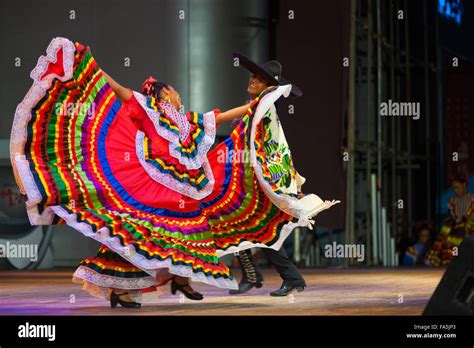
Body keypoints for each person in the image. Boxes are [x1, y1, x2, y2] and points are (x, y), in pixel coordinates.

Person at [11, 37, 338, 308]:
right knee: (146, 231)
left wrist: (267, 100)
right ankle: (135, 288)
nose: (179, 96)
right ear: (165, 94)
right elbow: (123, 92)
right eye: (174, 93)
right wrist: (96, 72)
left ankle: (142, 288)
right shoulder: (151, 110)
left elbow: (223, 118)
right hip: (154, 185)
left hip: (181, 189)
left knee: (160, 234)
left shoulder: (185, 121)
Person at [228, 53, 333, 296]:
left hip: (267, 178)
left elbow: (269, 147)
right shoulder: (258, 105)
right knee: (245, 225)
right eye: (253, 75)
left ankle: (285, 277)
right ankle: (262, 274)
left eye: (259, 78)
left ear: (268, 87)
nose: (253, 80)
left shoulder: (263, 107)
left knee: (259, 229)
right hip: (259, 175)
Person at [426, 174, 474, 266]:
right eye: (454, 188)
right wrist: (457, 219)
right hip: (456, 225)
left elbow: (472, 216)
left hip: (469, 226)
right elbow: (453, 215)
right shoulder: (452, 200)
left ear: (464, 185)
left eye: (457, 187)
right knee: (446, 235)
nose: (455, 190)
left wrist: (463, 218)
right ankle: (442, 261)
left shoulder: (472, 199)